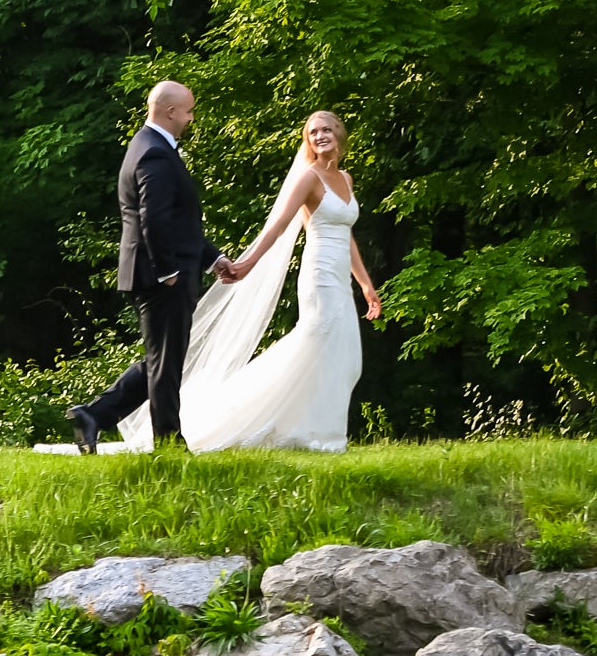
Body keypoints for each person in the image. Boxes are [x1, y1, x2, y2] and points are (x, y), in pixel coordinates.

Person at [57, 105, 380, 455]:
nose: (320, 136)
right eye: (313, 131)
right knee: (310, 343)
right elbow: (279, 225)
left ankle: (101, 417)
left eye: (326, 130)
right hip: (316, 275)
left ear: (339, 134)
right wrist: (248, 263)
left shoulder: (345, 179)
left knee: (344, 354)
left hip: (338, 276)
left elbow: (345, 233)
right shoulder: (307, 177)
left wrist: (363, 282)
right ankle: (173, 435)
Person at [68, 81, 244, 452]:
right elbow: (155, 219)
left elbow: (179, 224)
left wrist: (212, 258)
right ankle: (168, 444)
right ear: (169, 111)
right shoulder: (154, 153)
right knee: (166, 364)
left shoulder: (149, 146)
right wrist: (168, 272)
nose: (191, 118)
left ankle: (95, 416)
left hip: (162, 270)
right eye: (188, 111)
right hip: (160, 275)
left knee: (161, 358)